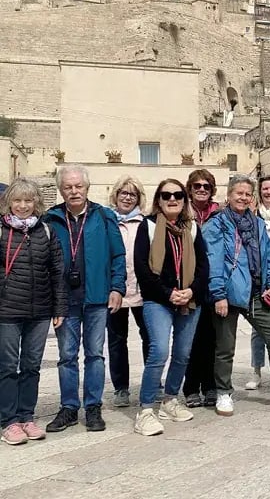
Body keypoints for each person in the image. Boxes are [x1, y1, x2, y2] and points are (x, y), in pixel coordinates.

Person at [44, 165, 126, 434]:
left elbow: (118, 255)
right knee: (67, 356)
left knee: (95, 355)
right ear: (61, 189)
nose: (74, 191)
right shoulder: (51, 219)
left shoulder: (104, 216)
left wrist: (117, 288)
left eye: (78, 186)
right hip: (64, 300)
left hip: (97, 298)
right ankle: (68, 408)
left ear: (87, 188)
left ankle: (93, 407)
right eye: (68, 187)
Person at [205, 175, 270, 415]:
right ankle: (223, 392)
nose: (243, 198)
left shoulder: (255, 224)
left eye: (247, 194)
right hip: (229, 292)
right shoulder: (216, 224)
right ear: (229, 195)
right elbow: (213, 261)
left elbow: (269, 256)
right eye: (239, 193)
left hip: (256, 292)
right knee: (225, 346)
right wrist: (218, 294)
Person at [132, 179, 209, 436]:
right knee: (159, 352)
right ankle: (145, 409)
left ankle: (170, 399)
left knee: (183, 353)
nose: (172, 199)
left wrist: (191, 291)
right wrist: (169, 294)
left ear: (185, 200)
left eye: (178, 195)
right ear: (159, 200)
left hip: (190, 300)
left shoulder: (193, 229)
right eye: (166, 195)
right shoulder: (149, 227)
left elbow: (203, 267)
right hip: (158, 300)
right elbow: (142, 267)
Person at [0, 179, 68, 445]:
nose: (23, 206)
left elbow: (57, 273)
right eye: (18, 200)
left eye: (29, 200)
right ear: (9, 203)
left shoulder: (46, 232)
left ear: (36, 203)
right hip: (6, 311)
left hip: (39, 311)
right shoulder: (1, 231)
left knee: (31, 366)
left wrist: (59, 307)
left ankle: (27, 416)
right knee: (6, 367)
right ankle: (8, 421)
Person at [107, 175, 150, 409]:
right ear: (116, 195)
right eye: (123, 192)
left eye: (132, 194)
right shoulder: (107, 221)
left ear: (138, 198)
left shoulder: (145, 222)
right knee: (116, 341)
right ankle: (121, 388)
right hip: (115, 291)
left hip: (142, 290)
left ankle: (151, 383)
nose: (127, 197)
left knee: (149, 339)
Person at [183, 169, 220, 408]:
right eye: (197, 186)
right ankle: (190, 387)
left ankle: (210, 386)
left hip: (212, 283)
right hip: (188, 282)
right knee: (190, 338)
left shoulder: (220, 214)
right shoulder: (182, 213)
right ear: (190, 189)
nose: (202, 190)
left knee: (211, 338)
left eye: (206, 186)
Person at [246, 175, 270, 391]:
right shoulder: (253, 214)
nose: (269, 192)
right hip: (259, 279)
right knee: (257, 328)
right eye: (265, 189)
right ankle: (256, 370)